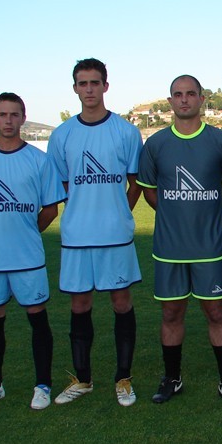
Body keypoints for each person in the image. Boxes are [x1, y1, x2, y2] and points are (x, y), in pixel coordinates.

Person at [136, 74, 222, 408]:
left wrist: (210, 217)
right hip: (169, 248)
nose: (184, 100)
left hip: (210, 247)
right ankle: (172, 379)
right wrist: (173, 214)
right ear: (170, 102)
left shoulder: (220, 141)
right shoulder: (155, 144)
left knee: (217, 313)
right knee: (171, 314)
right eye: (177, 95)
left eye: (190, 94)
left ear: (201, 100)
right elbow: (150, 192)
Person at [0, 92, 65, 410]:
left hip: (28, 259)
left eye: (14, 114)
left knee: (38, 320)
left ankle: (43, 386)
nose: (8, 120)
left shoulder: (38, 159)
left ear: (23, 118)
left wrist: (26, 232)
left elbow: (50, 209)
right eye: (2, 114)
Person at [47, 58, 143, 407]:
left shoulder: (125, 131)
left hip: (115, 235)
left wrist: (119, 212)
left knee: (121, 302)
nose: (89, 89)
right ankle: (83, 380)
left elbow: (136, 182)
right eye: (82, 83)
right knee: (80, 303)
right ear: (75, 88)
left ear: (106, 85)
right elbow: (61, 184)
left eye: (94, 82)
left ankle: (123, 379)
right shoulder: (62, 135)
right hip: (76, 236)